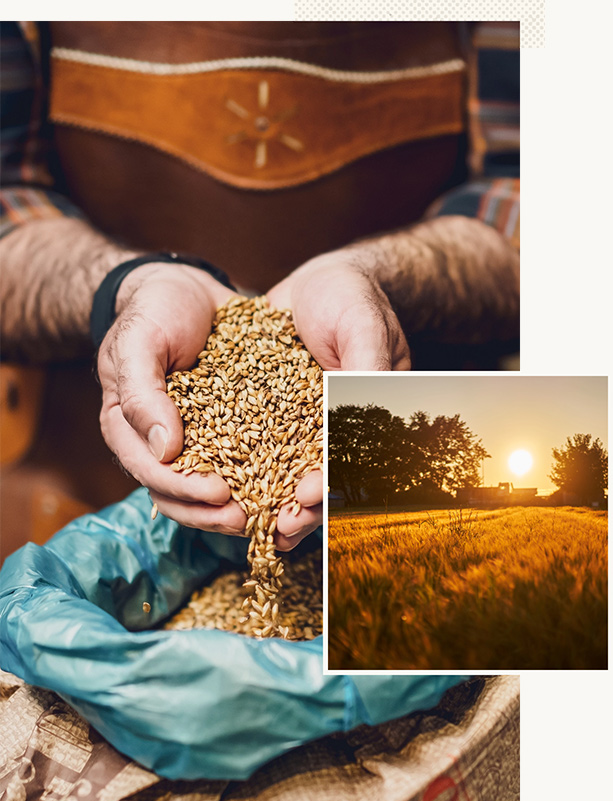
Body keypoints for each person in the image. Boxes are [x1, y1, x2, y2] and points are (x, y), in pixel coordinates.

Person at [0, 21, 519, 550]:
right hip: (78, 492)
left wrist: (382, 276)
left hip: (408, 481)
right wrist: (124, 287)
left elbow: (531, 200)